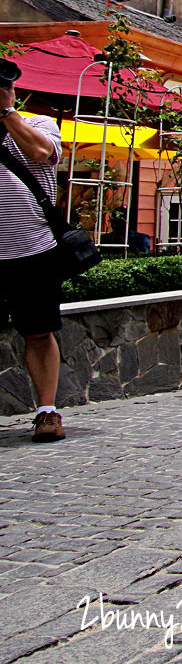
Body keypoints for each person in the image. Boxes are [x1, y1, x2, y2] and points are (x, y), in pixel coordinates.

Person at [0, 87, 67, 443]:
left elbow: (42, 152)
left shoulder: (39, 124)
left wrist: (6, 113)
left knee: (39, 332)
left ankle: (46, 411)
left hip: (32, 249)